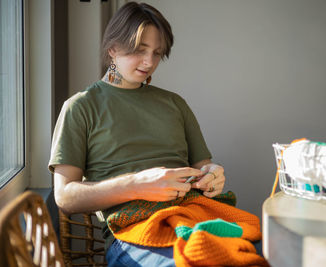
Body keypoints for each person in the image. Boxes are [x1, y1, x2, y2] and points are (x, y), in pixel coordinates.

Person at [49, 2, 265, 266]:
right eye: (140, 50)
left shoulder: (174, 104)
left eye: (157, 53)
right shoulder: (80, 107)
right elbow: (65, 196)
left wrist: (213, 174)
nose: (149, 62)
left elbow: (204, 165)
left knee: (271, 253)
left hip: (195, 213)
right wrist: (138, 184)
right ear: (113, 48)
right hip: (135, 230)